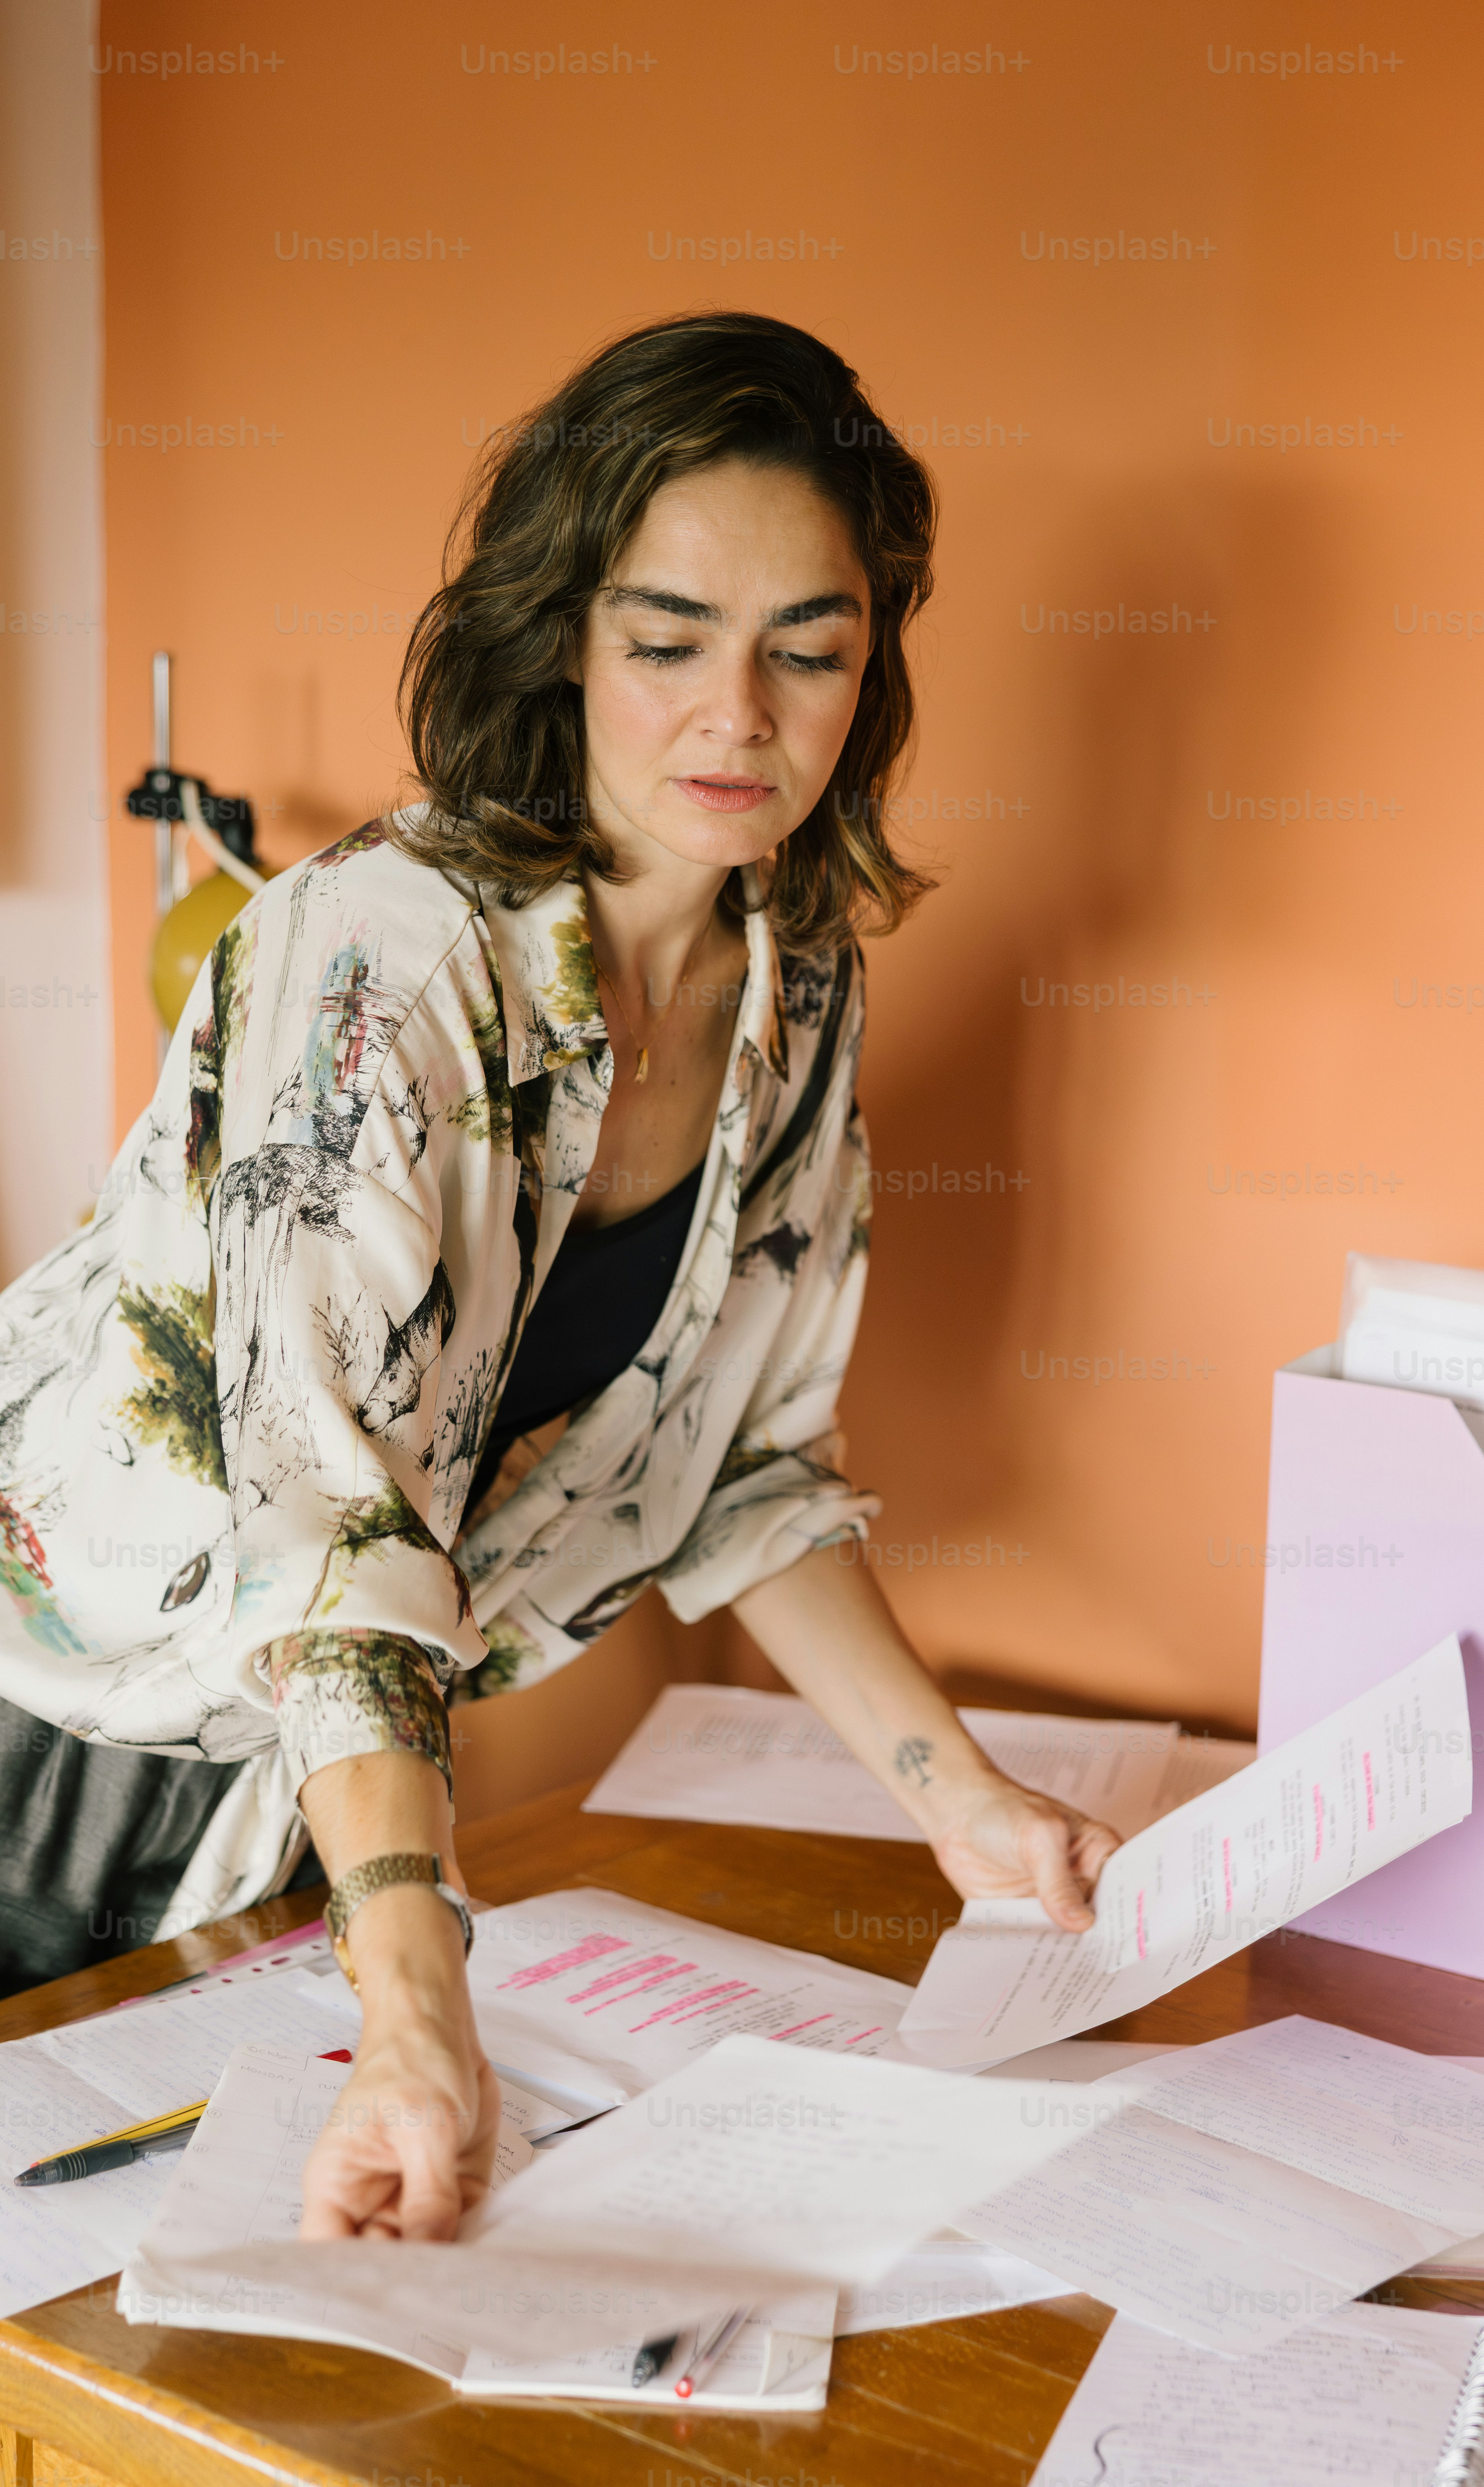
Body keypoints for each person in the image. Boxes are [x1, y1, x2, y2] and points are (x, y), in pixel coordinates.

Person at [0, 311, 1121, 2241]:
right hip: (62, 1720)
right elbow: (332, 1536)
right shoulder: (379, 956)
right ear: (565, 639)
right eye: (669, 639)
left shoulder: (796, 983)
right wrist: (420, 1995)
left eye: (811, 647)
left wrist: (965, 1801)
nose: (740, 718)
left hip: (315, 1786)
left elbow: (750, 1472)